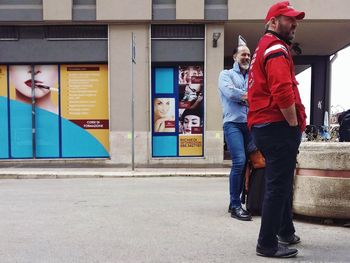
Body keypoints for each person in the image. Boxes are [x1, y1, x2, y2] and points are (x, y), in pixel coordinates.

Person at [247, 1, 307, 258]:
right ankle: (267, 244)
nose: (294, 24)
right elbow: (282, 91)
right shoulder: (276, 49)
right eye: (288, 19)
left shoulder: (263, 48)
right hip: (277, 125)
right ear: (273, 23)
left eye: (295, 20)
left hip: (264, 124)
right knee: (278, 185)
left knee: (280, 180)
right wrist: (293, 124)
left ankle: (285, 230)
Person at [218, 44, 256, 221]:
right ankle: (235, 206)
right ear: (234, 56)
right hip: (232, 124)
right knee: (239, 162)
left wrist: (248, 97)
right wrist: (249, 97)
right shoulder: (226, 75)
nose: (246, 57)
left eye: (248, 54)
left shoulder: (252, 76)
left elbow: (259, 93)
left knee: (250, 162)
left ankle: (240, 200)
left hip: (250, 125)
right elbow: (230, 93)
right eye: (243, 54)